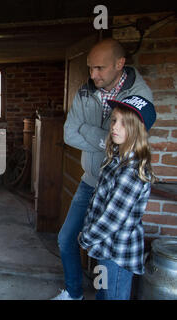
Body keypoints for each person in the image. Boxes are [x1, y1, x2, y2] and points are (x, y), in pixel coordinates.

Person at [51, 39, 153, 300]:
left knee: (107, 264)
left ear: (120, 64)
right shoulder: (86, 91)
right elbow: (69, 133)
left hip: (114, 188)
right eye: (89, 68)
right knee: (66, 240)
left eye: (99, 68)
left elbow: (126, 141)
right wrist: (103, 140)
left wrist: (88, 131)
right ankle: (74, 294)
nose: (92, 75)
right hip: (91, 181)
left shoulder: (138, 96)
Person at [79, 95, 156, 300]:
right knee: (102, 292)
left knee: (113, 296)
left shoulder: (132, 170)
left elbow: (112, 218)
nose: (115, 127)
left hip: (117, 253)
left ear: (138, 130)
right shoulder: (115, 158)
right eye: (114, 120)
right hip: (104, 247)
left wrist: (86, 237)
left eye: (124, 123)